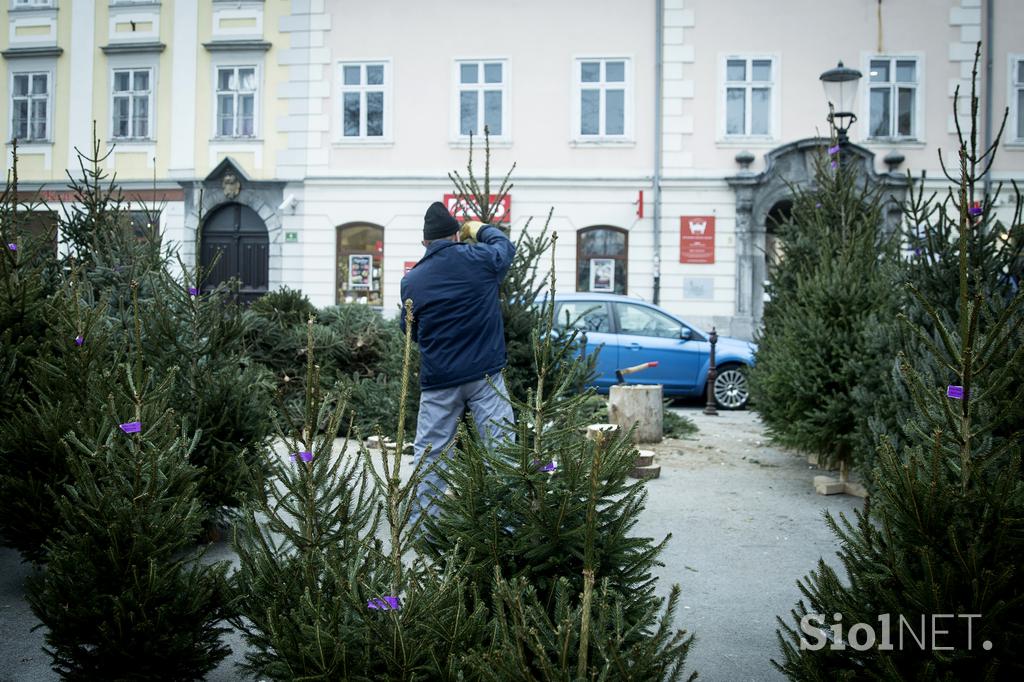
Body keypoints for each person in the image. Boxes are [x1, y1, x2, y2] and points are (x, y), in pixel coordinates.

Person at [400, 201, 516, 523]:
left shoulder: (413, 281)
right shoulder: (479, 259)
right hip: (486, 376)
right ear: (456, 235)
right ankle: (505, 528)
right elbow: (505, 247)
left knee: (430, 456)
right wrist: (480, 228)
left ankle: (424, 530)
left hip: (439, 382)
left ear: (425, 242)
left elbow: (408, 329)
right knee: (500, 449)